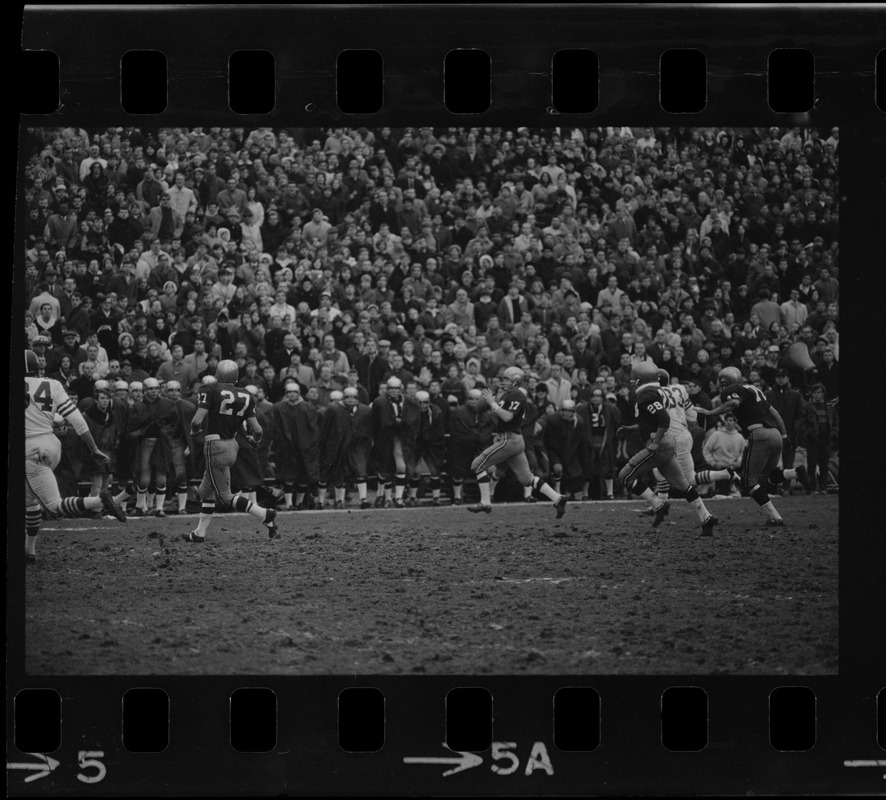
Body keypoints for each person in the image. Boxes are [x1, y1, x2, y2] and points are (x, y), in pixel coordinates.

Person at [24, 349, 126, 562]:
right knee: (30, 501)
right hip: (51, 445)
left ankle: (100, 500)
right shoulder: (52, 384)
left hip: (29, 448)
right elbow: (77, 420)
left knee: (54, 507)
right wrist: (94, 448)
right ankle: (29, 551)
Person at [694, 366, 808, 527]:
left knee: (749, 482)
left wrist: (708, 412)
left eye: (721, 383)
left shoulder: (732, 389)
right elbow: (774, 412)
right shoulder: (754, 390)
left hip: (759, 434)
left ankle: (775, 517)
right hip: (775, 433)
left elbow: (733, 402)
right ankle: (795, 472)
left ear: (725, 382)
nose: (720, 386)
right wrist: (784, 434)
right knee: (768, 477)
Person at [616, 361, 718, 536]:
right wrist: (631, 429)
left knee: (624, 477)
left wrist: (655, 442)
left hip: (660, 444)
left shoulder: (645, 395)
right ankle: (706, 517)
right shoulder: (656, 392)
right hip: (668, 442)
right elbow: (650, 421)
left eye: (635, 379)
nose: (633, 382)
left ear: (640, 379)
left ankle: (658, 504)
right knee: (683, 484)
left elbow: (663, 419)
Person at [183, 359, 280, 542]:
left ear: (218, 375)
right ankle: (199, 533)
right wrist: (254, 439)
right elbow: (258, 430)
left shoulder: (209, 389)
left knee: (225, 496)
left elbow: (197, 421)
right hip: (232, 445)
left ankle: (264, 514)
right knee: (206, 491)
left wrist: (194, 430)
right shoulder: (245, 394)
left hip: (215, 446)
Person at [467, 366, 567, 517]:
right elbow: (480, 409)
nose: (503, 381)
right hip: (514, 440)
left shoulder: (517, 395)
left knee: (477, 464)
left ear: (515, 381)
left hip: (510, 439)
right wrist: (489, 399)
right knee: (527, 479)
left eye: (506, 379)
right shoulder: (508, 394)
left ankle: (486, 502)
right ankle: (558, 498)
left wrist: (492, 403)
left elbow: (507, 417)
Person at [269, 381, 321, 510]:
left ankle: (299, 502)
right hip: (285, 448)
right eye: (289, 392)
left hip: (304, 448)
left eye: (294, 392)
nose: (292, 394)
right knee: (288, 477)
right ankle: (289, 504)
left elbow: (313, 430)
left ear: (299, 393)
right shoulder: (278, 408)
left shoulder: (308, 408)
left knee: (303, 476)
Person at [447, 388, 495, 505]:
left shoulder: (487, 413)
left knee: (486, 468)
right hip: (461, 447)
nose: (473, 401)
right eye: (471, 399)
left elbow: (488, 431)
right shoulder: (458, 412)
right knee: (458, 470)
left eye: (477, 399)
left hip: (480, 446)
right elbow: (454, 430)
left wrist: (480, 438)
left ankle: (487, 496)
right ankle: (457, 496)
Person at [317, 390, 352, 509]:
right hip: (328, 447)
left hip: (341, 447)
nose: (335, 403)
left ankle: (339, 500)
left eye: (338, 401)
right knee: (324, 474)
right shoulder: (324, 412)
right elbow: (323, 432)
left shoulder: (346, 411)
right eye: (333, 401)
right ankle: (320, 501)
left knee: (339, 474)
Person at [802, 382, 838, 494]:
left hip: (826, 439)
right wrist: (808, 433)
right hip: (812, 440)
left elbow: (836, 421)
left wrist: (834, 433)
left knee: (824, 464)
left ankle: (823, 487)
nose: (816, 395)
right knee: (812, 464)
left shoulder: (829, 407)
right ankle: (813, 488)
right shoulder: (808, 407)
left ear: (823, 393)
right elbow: (803, 422)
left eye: (819, 392)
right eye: (814, 392)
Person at [343, 386, 374, 509]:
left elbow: (371, 428)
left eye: (353, 397)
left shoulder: (365, 411)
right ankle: (339, 500)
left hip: (359, 444)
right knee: (342, 471)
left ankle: (363, 498)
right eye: (348, 397)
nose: (350, 399)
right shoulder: (338, 410)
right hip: (343, 444)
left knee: (361, 470)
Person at [701, 413, 747, 497]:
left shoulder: (740, 437)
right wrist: (713, 463)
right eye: (726, 420)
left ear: (735, 422)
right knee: (723, 491)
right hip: (719, 468)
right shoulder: (717, 435)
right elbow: (706, 450)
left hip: (733, 469)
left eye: (731, 420)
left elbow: (743, 452)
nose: (728, 422)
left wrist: (739, 462)